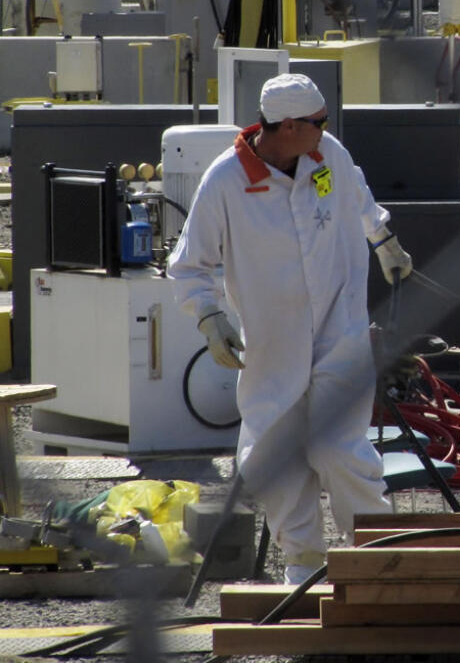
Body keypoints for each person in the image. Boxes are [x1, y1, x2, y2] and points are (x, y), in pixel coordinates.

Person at [168, 73, 414, 584]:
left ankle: (380, 554)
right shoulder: (225, 182)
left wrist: (384, 240)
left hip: (339, 330)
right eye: (318, 123)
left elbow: (359, 198)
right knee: (274, 457)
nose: (326, 131)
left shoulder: (328, 157)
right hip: (273, 344)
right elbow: (189, 265)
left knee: (338, 450)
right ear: (286, 127)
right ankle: (303, 562)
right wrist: (210, 319)